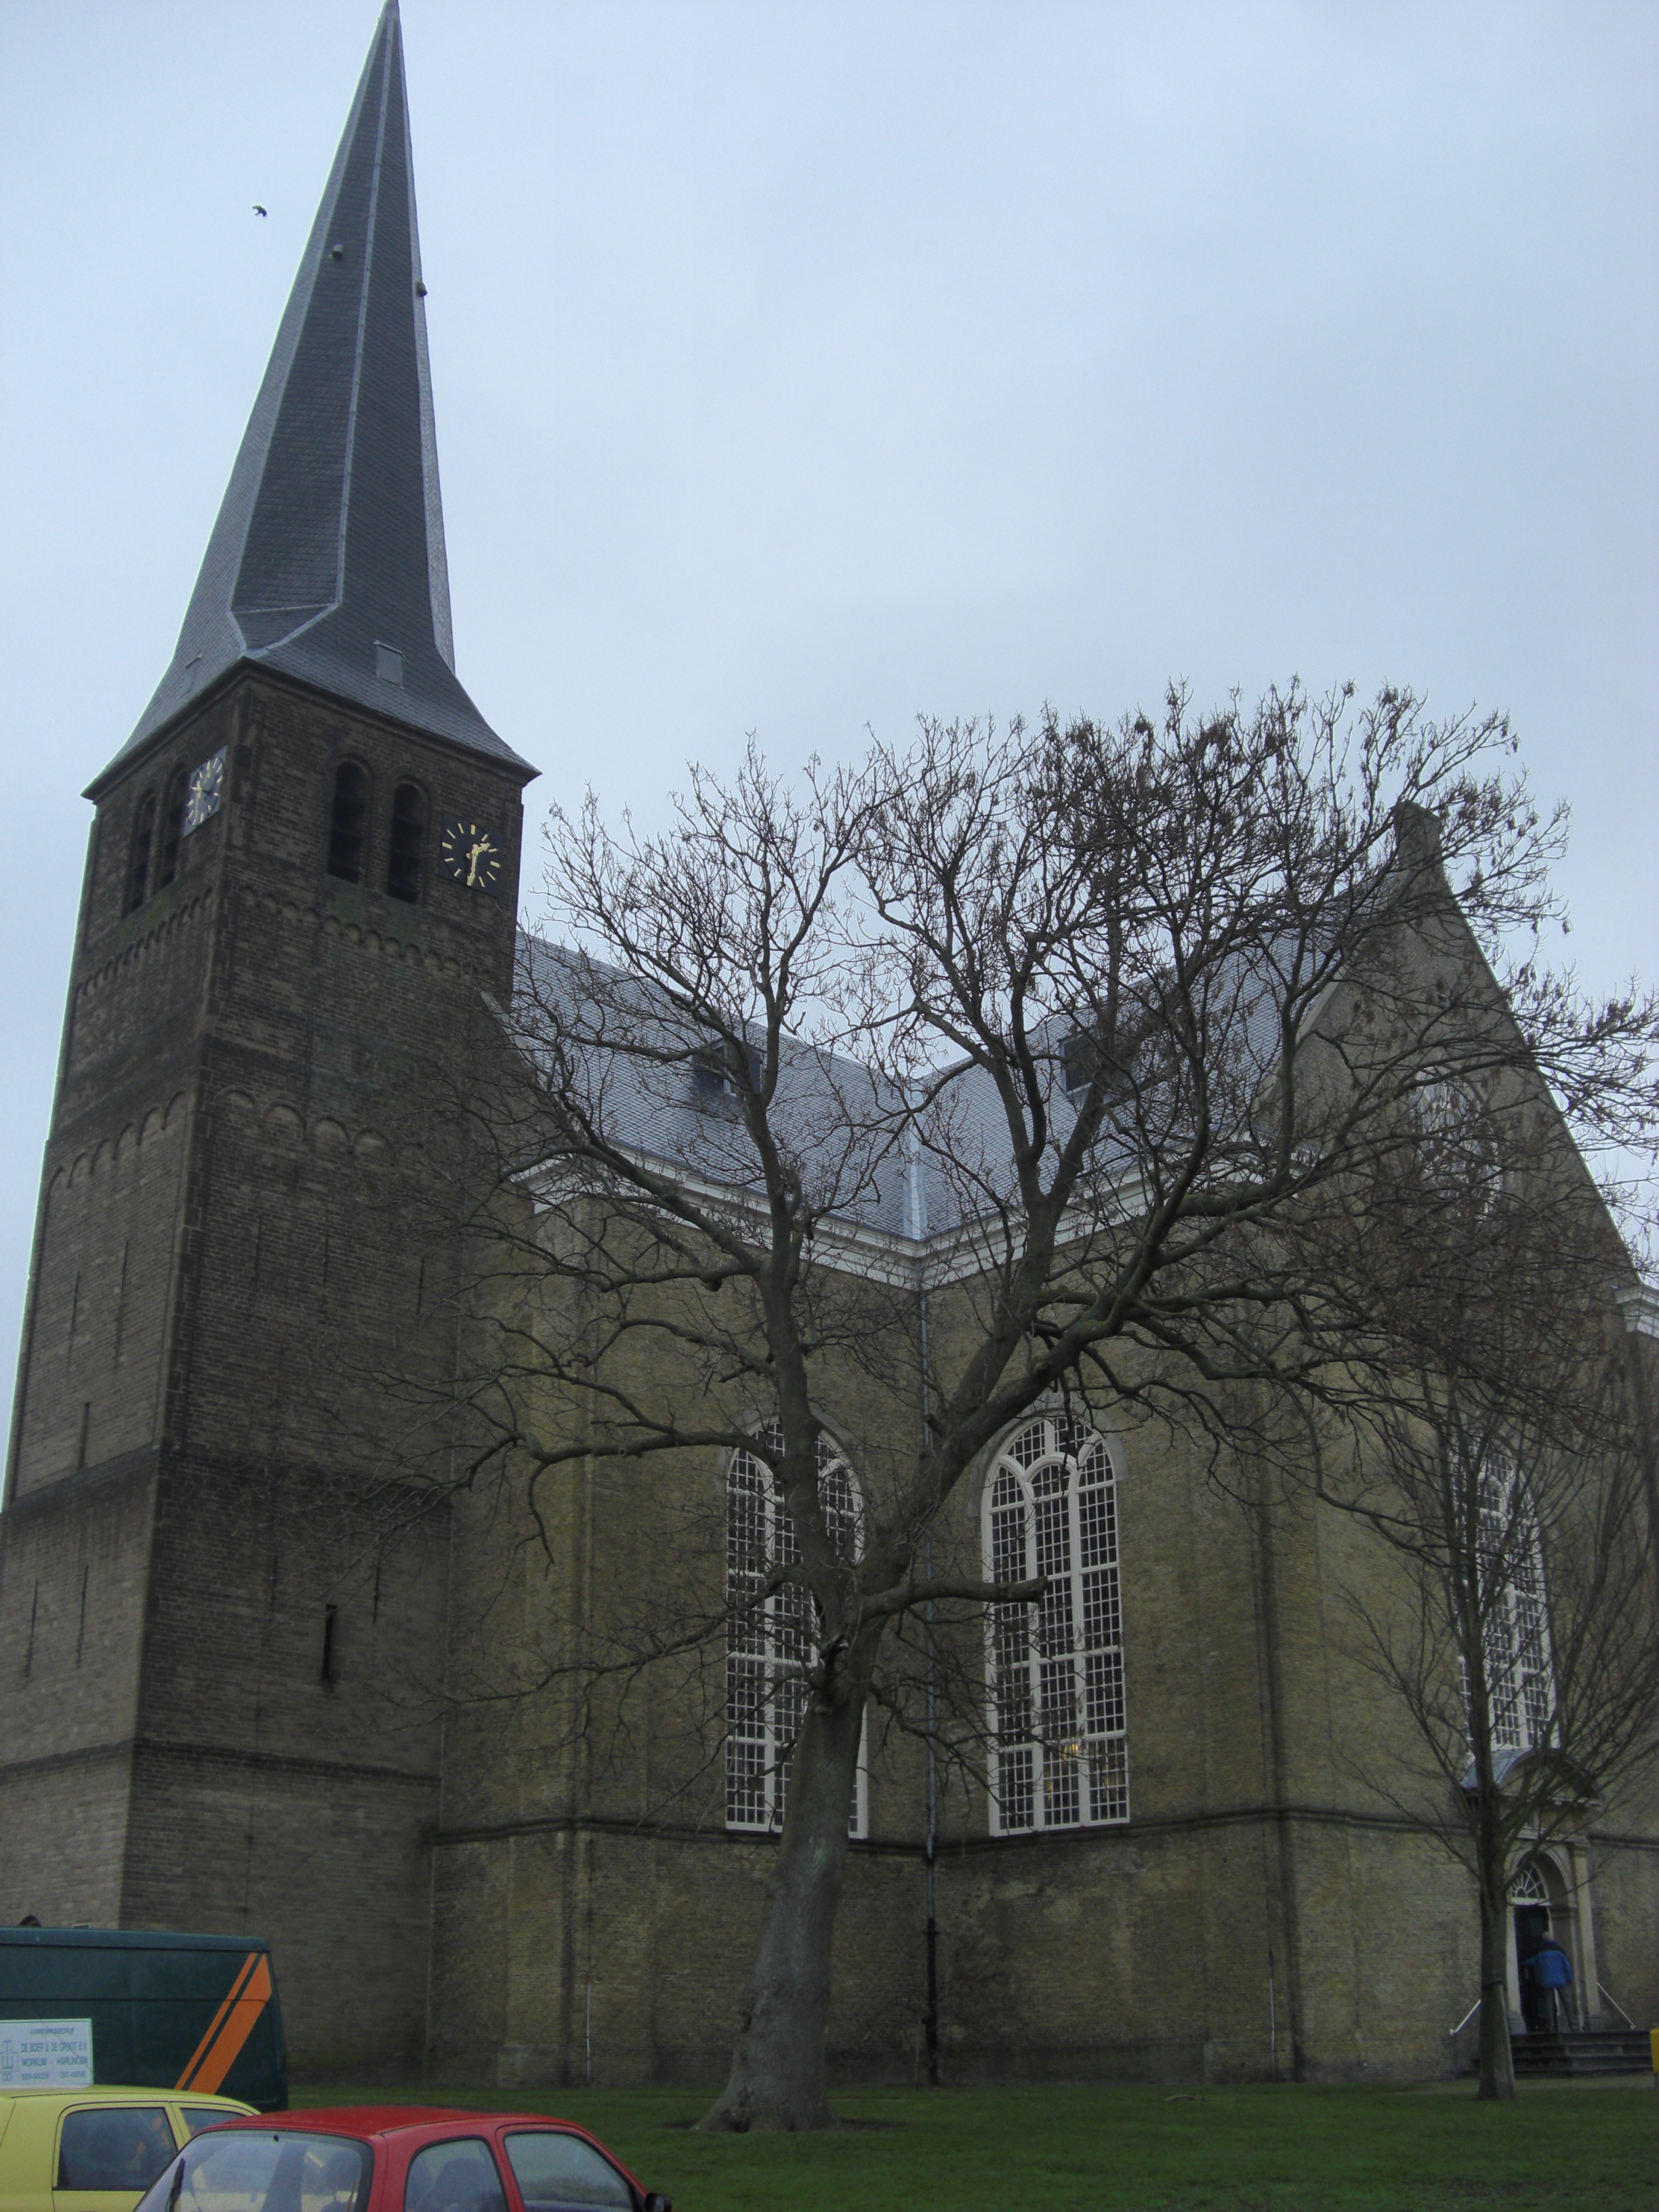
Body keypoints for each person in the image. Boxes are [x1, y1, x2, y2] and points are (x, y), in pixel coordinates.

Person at [1525, 1931, 1575, 2034]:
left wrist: (1522, 1963)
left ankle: (1551, 2026)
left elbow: (1532, 1962)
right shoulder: (1560, 1951)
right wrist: (1570, 1979)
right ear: (1552, 1939)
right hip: (1561, 1981)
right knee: (1567, 2002)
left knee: (1549, 2004)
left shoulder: (1541, 1951)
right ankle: (1573, 2024)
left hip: (1547, 1981)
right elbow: (1567, 1966)